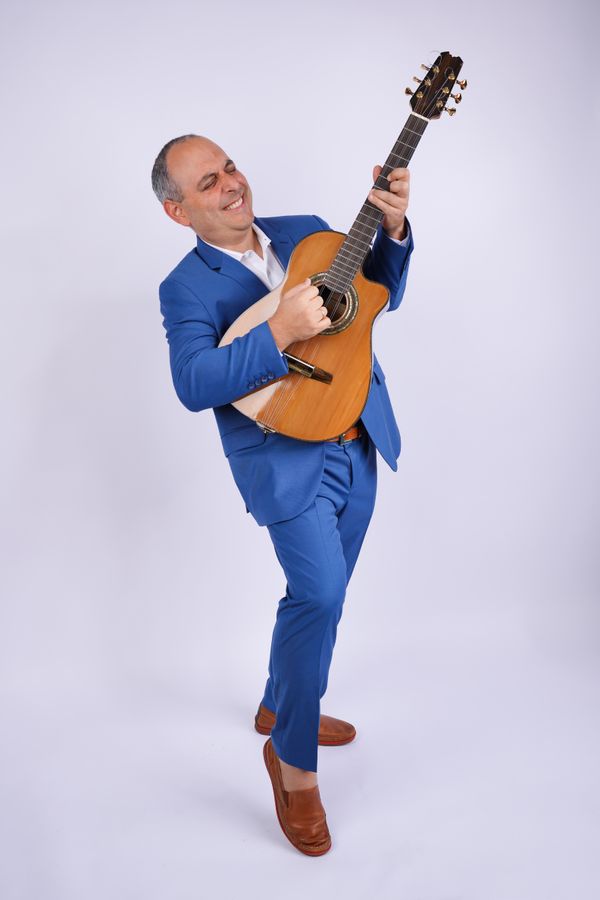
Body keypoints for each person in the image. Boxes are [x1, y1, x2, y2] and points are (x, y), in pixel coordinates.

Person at [152, 134, 413, 856]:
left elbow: (378, 296)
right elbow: (194, 383)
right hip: (282, 458)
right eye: (208, 182)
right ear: (179, 212)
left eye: (229, 166)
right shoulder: (186, 287)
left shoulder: (309, 234)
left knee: (323, 595)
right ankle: (293, 765)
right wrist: (279, 330)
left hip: (358, 433)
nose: (231, 184)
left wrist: (394, 231)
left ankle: (281, 703)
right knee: (320, 596)